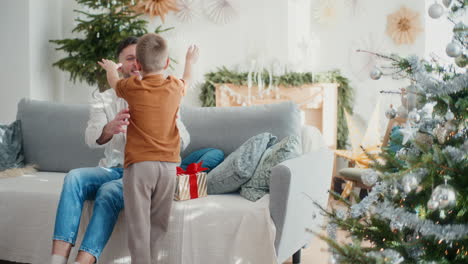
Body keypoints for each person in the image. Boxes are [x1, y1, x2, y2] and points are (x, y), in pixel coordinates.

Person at [50, 36, 191, 264]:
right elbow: (90, 137)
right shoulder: (105, 98)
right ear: (120, 64)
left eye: (139, 58)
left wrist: (165, 124)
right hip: (112, 168)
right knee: (74, 177)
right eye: (129, 59)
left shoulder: (165, 94)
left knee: (108, 192)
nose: (136, 64)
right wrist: (109, 128)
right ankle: (56, 259)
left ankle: (83, 261)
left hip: (137, 171)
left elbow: (184, 137)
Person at [98, 33, 199, 264]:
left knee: (138, 223)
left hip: (140, 166)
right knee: (159, 222)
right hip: (168, 167)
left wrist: (112, 68)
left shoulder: (132, 87)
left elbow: (114, 82)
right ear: (165, 63)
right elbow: (188, 78)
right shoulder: (175, 86)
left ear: (139, 65)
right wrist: (190, 61)